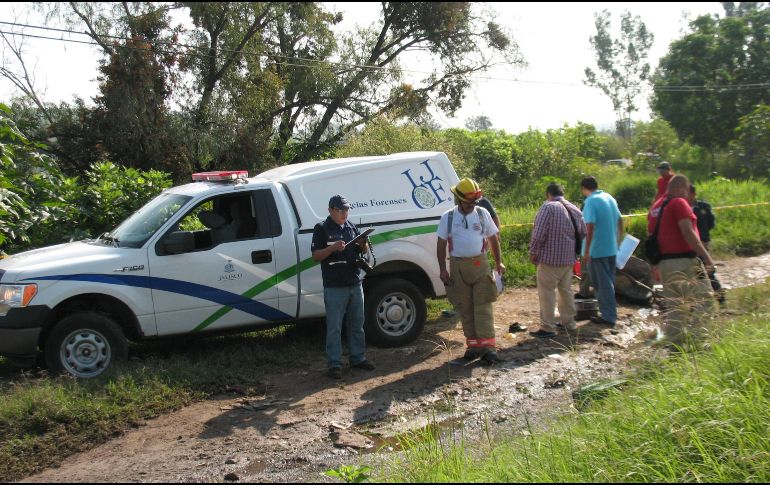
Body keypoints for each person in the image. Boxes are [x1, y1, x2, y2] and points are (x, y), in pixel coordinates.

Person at [437, 178, 505, 365]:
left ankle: (488, 349)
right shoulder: (448, 217)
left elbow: (493, 239)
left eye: (474, 202)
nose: (471, 205)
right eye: (468, 202)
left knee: (483, 306)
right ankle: (473, 346)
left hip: (480, 264)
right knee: (465, 308)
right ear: (458, 200)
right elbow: (441, 244)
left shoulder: (483, 214)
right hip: (457, 267)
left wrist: (499, 263)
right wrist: (443, 268)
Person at [312, 194, 375, 379]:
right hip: (334, 286)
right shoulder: (322, 228)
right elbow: (316, 256)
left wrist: (363, 245)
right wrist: (332, 248)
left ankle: (358, 358)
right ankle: (334, 364)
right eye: (340, 210)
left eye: (346, 209)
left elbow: (362, 251)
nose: (344, 213)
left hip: (355, 282)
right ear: (331, 210)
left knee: (357, 324)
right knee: (334, 327)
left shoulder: (351, 227)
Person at [648, 175, 715, 345]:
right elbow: (687, 232)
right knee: (705, 299)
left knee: (675, 306)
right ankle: (698, 339)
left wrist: (654, 265)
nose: (687, 196)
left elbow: (651, 237)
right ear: (681, 188)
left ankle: (676, 345)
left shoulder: (655, 207)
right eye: (686, 191)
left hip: (664, 263)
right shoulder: (678, 202)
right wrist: (706, 257)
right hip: (685, 261)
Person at [529, 183, 586, 338]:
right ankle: (569, 322)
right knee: (566, 290)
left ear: (548, 194)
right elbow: (583, 232)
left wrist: (533, 252)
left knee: (547, 293)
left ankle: (548, 327)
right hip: (568, 259)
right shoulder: (574, 208)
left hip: (549, 259)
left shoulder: (548, 207)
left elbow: (538, 234)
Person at [581, 176, 623, 326]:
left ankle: (608, 316)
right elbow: (620, 220)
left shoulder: (590, 201)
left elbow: (589, 227)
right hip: (611, 248)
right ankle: (608, 312)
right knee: (608, 282)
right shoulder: (609, 198)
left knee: (601, 284)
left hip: (597, 250)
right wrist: (619, 241)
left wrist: (586, 251)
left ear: (584, 189)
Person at [688, 184, 725, 304]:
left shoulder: (702, 207)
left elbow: (711, 223)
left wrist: (703, 237)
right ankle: (697, 301)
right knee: (694, 273)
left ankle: (720, 298)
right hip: (688, 245)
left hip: (702, 243)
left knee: (707, 271)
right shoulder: (681, 208)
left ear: (693, 194)